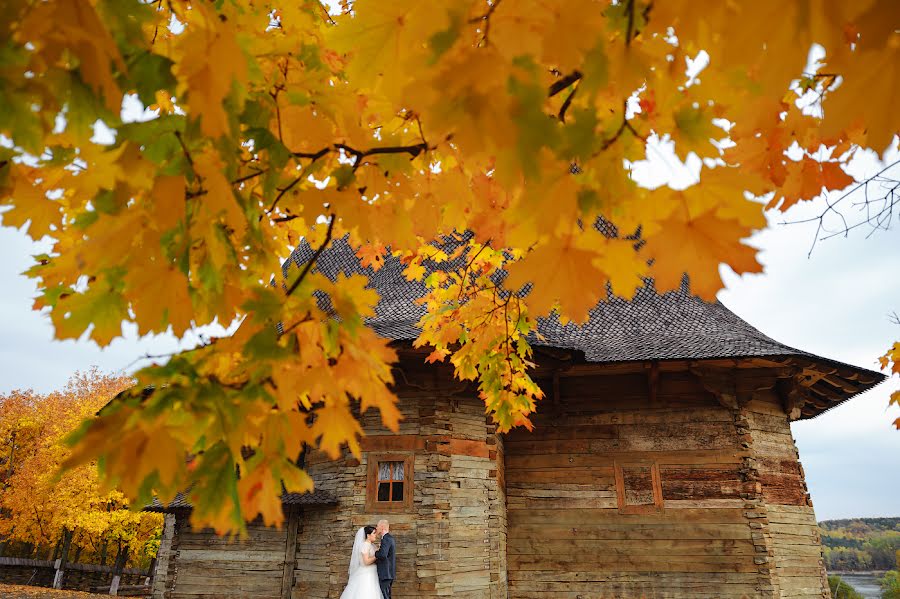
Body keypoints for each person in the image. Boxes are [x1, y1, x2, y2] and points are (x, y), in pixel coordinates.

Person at [339, 525, 382, 599]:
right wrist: (376, 555)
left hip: (372, 573)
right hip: (366, 574)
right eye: (374, 533)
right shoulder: (365, 545)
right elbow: (366, 562)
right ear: (368, 535)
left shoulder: (371, 545)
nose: (376, 535)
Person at [374, 519, 396, 599]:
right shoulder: (389, 538)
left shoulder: (386, 539)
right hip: (388, 573)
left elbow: (383, 555)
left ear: (382, 527)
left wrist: (376, 552)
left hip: (385, 573)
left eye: (377, 526)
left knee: (385, 596)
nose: (376, 528)